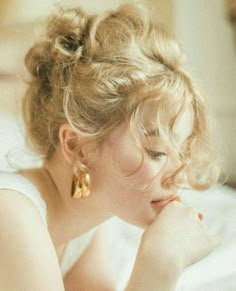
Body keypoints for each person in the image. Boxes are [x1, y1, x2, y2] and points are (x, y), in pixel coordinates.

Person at [0, 2, 221, 290]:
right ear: (77, 147)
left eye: (181, 151)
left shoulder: (87, 224)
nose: (179, 175)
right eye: (156, 152)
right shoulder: (12, 212)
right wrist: (160, 263)